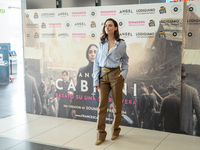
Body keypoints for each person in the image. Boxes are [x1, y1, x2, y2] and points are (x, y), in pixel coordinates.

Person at [93, 18, 129, 145]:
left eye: (109, 25)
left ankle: (115, 129)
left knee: (117, 105)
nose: (107, 27)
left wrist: (123, 73)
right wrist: (95, 80)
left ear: (115, 28)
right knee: (102, 106)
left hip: (116, 75)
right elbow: (96, 62)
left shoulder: (121, 43)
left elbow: (125, 60)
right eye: (105, 25)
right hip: (103, 76)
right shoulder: (101, 43)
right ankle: (100, 134)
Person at [71, 44, 99, 121]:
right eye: (90, 52)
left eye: (95, 52)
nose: (93, 54)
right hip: (84, 105)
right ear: (87, 54)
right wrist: (74, 107)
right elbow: (78, 90)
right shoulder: (82, 70)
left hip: (99, 105)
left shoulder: (103, 70)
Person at [181, 66, 200, 135]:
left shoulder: (171, 90)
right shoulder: (192, 91)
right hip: (186, 127)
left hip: (172, 127)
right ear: (185, 78)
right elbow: (198, 110)